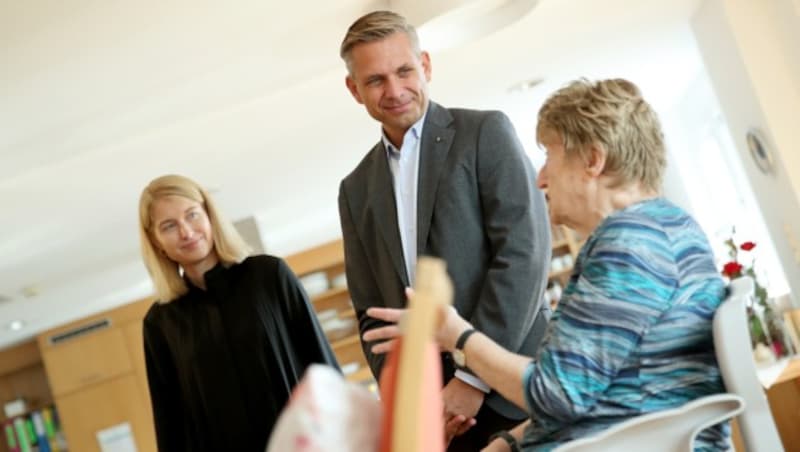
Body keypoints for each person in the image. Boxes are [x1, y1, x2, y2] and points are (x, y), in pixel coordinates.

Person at [366, 78, 730, 451]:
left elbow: (554, 393)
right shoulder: (665, 228)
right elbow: (585, 395)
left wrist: (457, 333)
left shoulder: (630, 245)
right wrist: (507, 442)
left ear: (592, 159)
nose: (541, 177)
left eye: (550, 156)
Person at [337, 10, 552, 450]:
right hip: (438, 417)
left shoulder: (484, 133)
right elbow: (371, 316)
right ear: (354, 90)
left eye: (404, 70)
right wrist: (412, 406)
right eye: (375, 80)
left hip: (518, 386)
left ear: (427, 66)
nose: (394, 91)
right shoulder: (354, 190)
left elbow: (524, 255)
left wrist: (474, 379)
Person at [138, 174, 338, 452]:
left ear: (210, 216)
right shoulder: (160, 324)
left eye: (192, 215)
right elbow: (170, 422)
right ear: (156, 241)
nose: (186, 231)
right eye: (169, 226)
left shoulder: (269, 276)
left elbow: (323, 369)